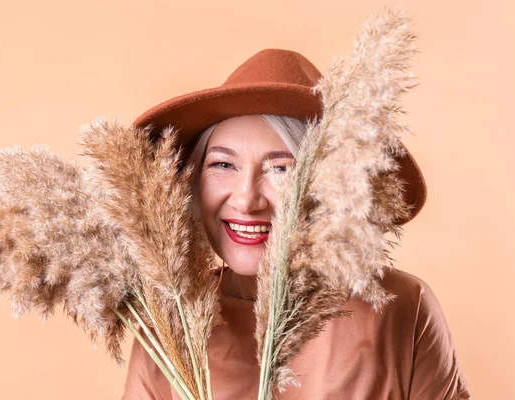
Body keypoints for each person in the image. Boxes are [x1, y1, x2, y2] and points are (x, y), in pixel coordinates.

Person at [122, 49, 471, 399]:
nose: (246, 200)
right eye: (224, 165)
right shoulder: (165, 327)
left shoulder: (401, 309)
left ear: (329, 187)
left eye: (282, 169)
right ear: (195, 181)